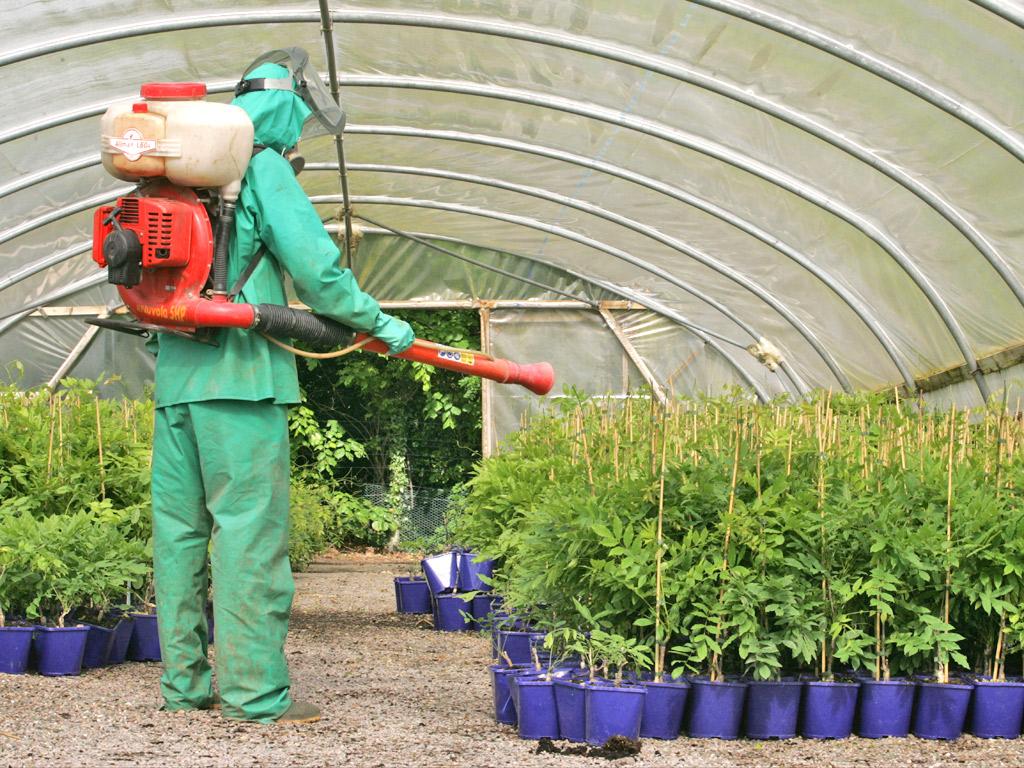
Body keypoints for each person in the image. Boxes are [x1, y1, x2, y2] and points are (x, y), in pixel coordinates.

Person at [148, 60, 414, 724]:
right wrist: (378, 322)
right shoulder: (261, 167)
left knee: (179, 540)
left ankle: (184, 689)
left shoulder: (175, 177)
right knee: (249, 543)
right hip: (241, 382)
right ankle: (255, 698)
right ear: (289, 109)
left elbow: (146, 283)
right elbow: (317, 272)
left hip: (177, 383)